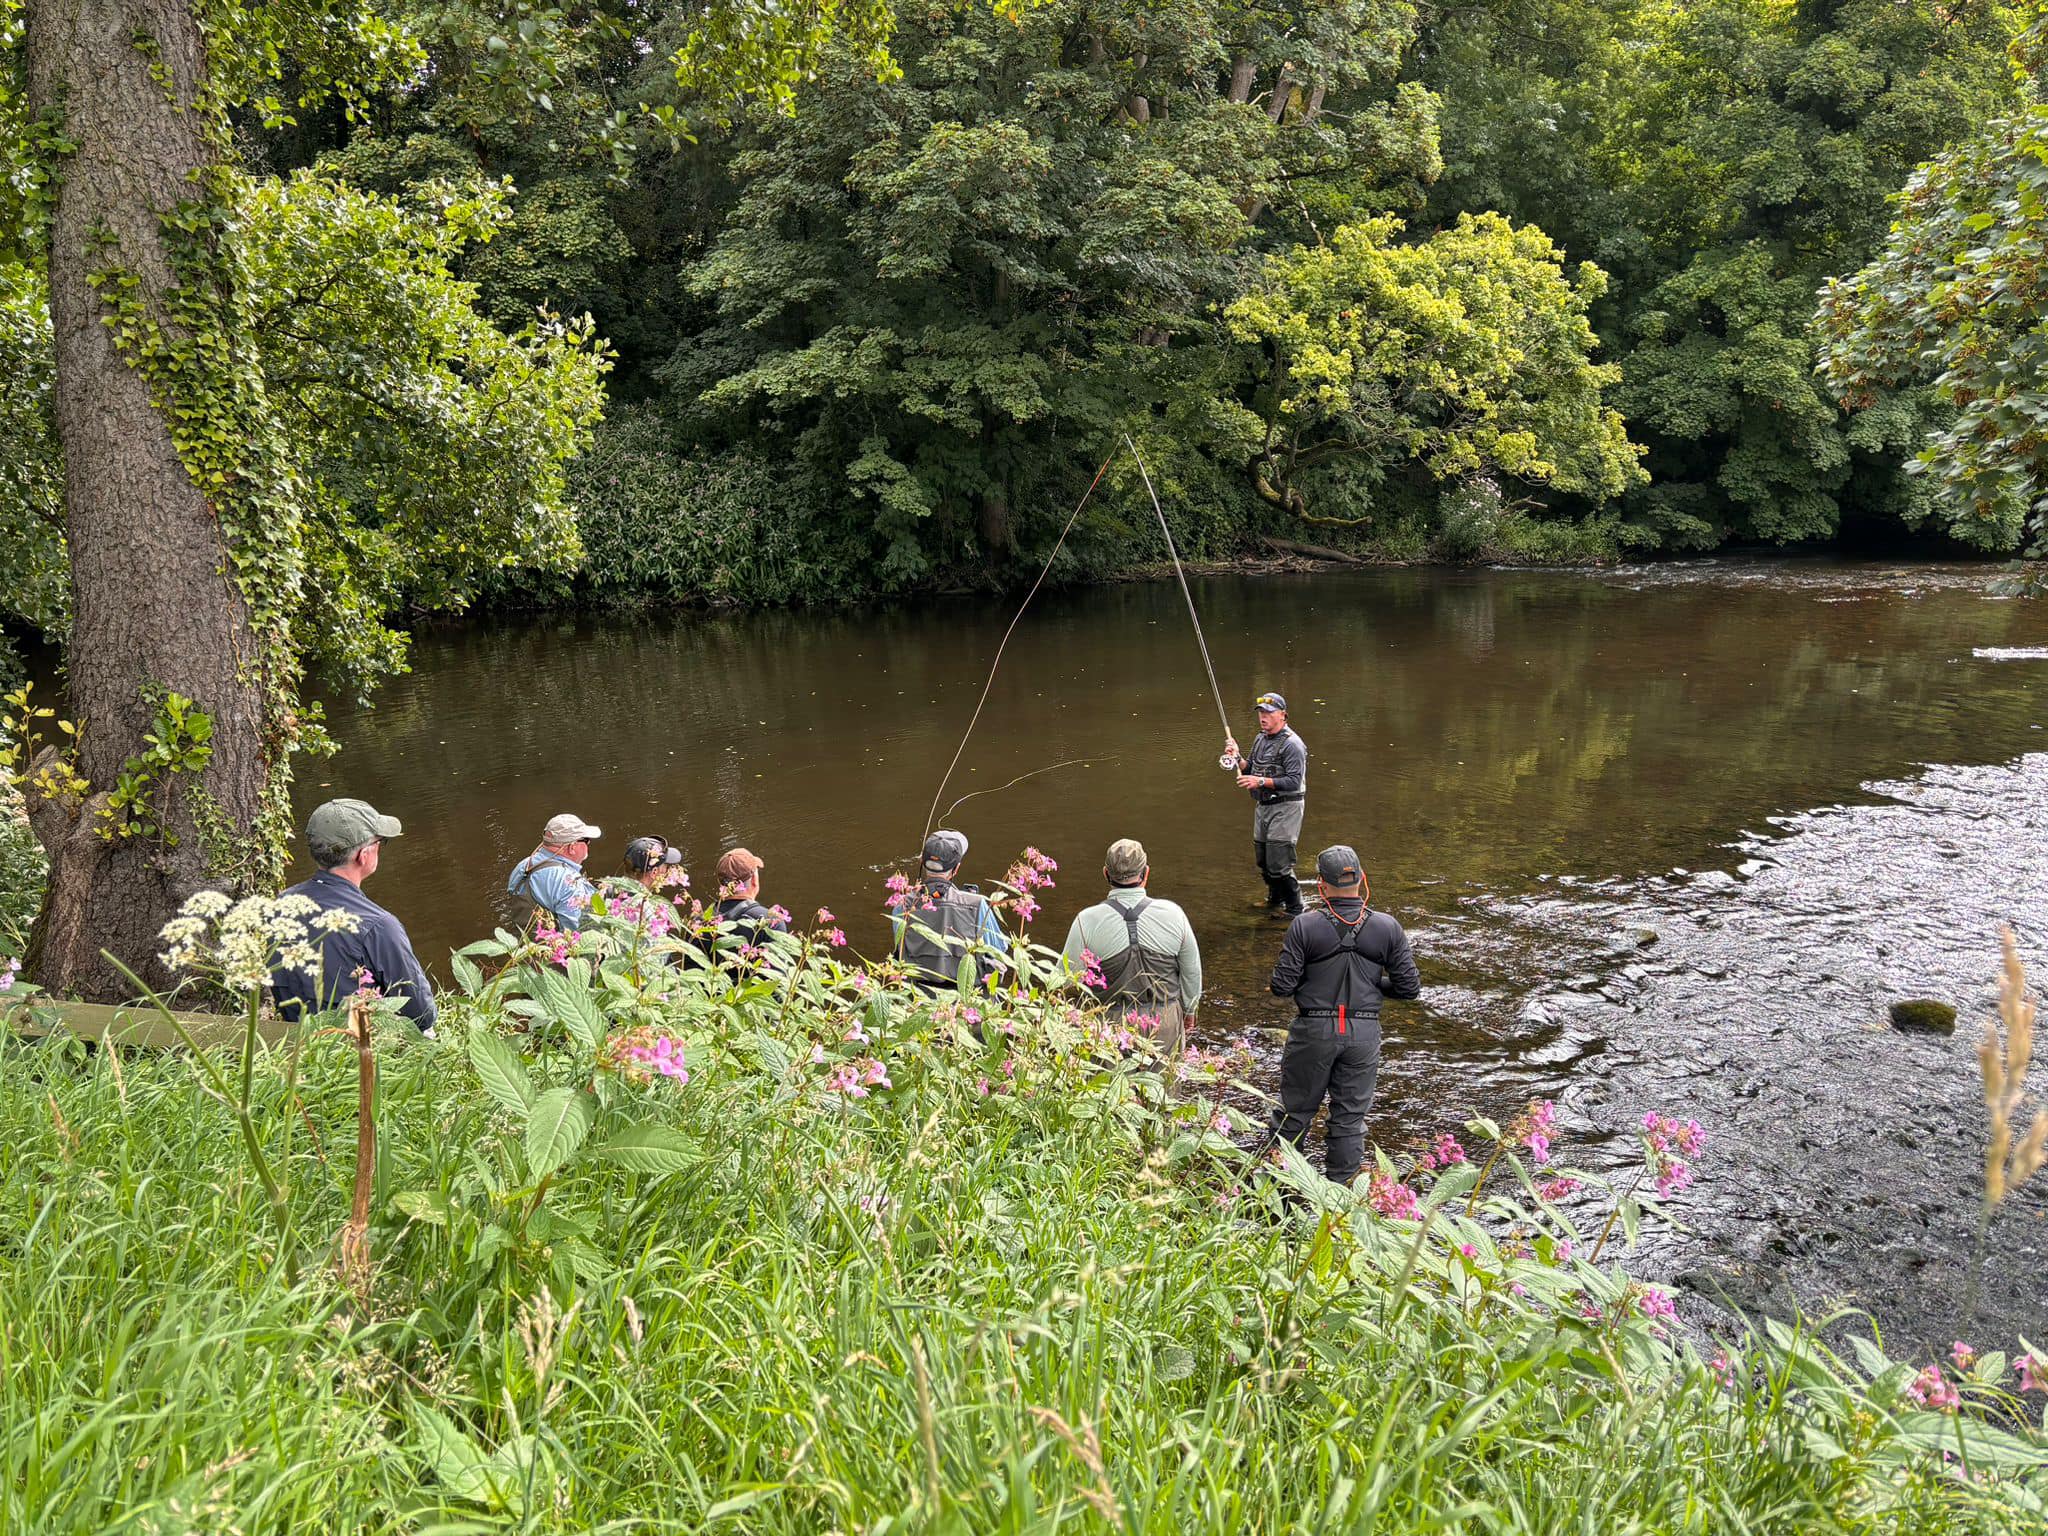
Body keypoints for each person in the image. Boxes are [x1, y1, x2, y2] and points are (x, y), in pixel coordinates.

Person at [1267, 844, 1421, 1187]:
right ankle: (1341, 1196)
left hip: (1314, 1030)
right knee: (1350, 1119)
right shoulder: (1388, 927)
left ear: (1321, 885)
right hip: (1364, 1035)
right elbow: (1409, 988)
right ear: (1362, 879)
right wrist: (1372, 985)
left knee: (1294, 1113)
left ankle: (1279, 1190)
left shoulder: (1304, 926)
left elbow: (1281, 986)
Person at [270, 798, 437, 1035]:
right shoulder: (378, 925)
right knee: (427, 1032)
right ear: (363, 855)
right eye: (381, 842)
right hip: (355, 1050)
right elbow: (420, 1013)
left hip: (299, 1041)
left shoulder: (281, 904)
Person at [1062, 837, 1202, 1054]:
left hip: (1109, 1028)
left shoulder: (1085, 921)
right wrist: (1190, 1011)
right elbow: (1191, 972)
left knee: (1112, 1086)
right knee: (1163, 1086)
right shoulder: (1174, 914)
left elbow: (1067, 981)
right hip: (1164, 1023)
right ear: (1146, 873)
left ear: (1106, 874)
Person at [1224, 691, 1308, 914]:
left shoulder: (1293, 745)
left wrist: (1259, 780)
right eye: (1261, 712)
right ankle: (1274, 899)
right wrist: (1237, 758)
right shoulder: (1260, 738)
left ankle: (1295, 909)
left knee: (1279, 864)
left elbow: (1293, 781)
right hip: (1264, 807)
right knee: (1263, 860)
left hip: (1286, 807)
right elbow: (1248, 768)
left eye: (1269, 713)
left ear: (1283, 715)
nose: (1263, 717)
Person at [891, 829, 1007, 992]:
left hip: (916, 996)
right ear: (956, 868)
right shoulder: (977, 903)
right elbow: (999, 949)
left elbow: (900, 947)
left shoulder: (902, 904)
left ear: (922, 864)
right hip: (966, 999)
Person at [506, 814, 601, 931]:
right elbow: (579, 931)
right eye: (586, 840)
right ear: (572, 847)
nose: (588, 844)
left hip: (522, 942)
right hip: (552, 947)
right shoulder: (570, 883)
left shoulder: (523, 865)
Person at [710, 847, 790, 955]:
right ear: (754, 880)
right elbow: (778, 969)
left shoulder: (699, 922)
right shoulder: (771, 922)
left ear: (719, 883)